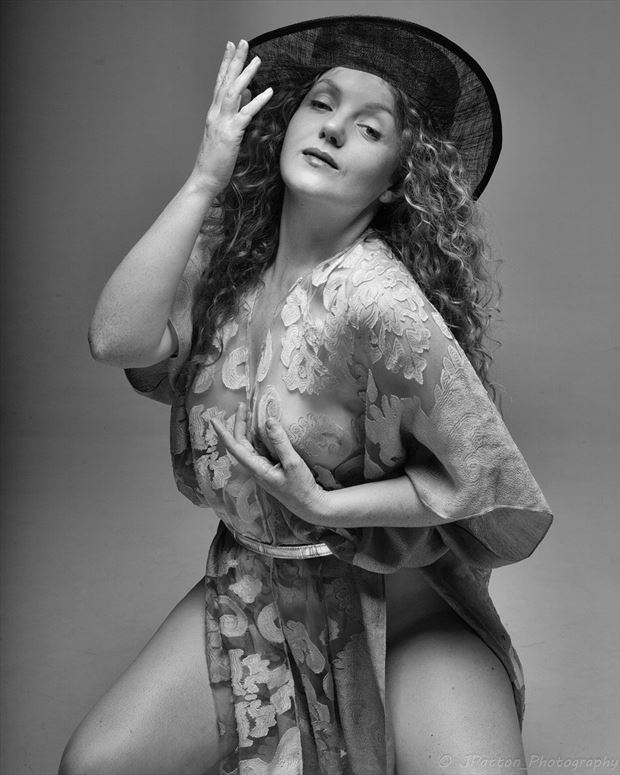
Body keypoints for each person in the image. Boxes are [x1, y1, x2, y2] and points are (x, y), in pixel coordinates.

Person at [60, 16, 553, 775]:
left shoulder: (381, 303)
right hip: (256, 587)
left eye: (370, 128)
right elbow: (116, 339)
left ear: (397, 177)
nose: (333, 129)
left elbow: (489, 489)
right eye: (321, 104)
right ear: (286, 122)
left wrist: (329, 507)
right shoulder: (231, 259)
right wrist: (204, 178)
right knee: (93, 765)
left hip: (395, 607)